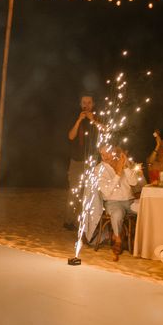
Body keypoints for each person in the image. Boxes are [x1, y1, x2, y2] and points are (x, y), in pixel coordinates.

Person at [65, 94, 100, 266]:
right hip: (77, 161)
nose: (86, 105)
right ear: (80, 104)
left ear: (93, 104)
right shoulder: (75, 117)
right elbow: (70, 136)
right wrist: (79, 120)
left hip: (91, 161)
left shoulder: (97, 119)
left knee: (88, 193)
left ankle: (85, 222)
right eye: (84, 102)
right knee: (74, 191)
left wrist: (94, 120)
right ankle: (70, 221)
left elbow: (106, 133)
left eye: (89, 103)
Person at [96, 145, 143, 260]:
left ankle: (143, 242)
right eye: (102, 154)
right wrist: (118, 173)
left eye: (107, 153)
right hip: (113, 202)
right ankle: (118, 239)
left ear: (113, 152)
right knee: (117, 214)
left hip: (129, 201)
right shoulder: (99, 169)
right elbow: (107, 191)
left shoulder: (123, 162)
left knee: (145, 209)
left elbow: (134, 182)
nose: (105, 156)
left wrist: (125, 166)